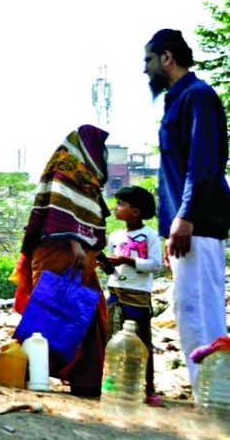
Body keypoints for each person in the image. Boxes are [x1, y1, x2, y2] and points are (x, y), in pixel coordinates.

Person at [143, 29, 230, 395]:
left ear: (167, 58)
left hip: (199, 224)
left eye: (148, 60)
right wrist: (172, 225)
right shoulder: (178, 100)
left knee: (201, 312)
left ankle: (216, 397)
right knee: (187, 309)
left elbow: (203, 164)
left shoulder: (198, 97)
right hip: (186, 225)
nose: (145, 70)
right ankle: (208, 394)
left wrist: (185, 216)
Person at [10, 124, 110, 397]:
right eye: (100, 147)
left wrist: (96, 254)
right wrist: (75, 243)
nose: (103, 154)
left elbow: (87, 218)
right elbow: (59, 211)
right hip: (61, 252)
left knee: (89, 317)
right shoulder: (65, 169)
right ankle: (31, 373)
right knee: (49, 313)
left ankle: (86, 382)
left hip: (82, 258)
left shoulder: (88, 178)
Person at [102, 186, 164, 407]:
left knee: (142, 342)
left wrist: (126, 261)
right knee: (112, 339)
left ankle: (148, 389)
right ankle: (113, 385)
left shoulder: (150, 236)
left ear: (135, 211)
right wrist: (108, 265)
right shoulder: (116, 236)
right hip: (115, 291)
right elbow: (114, 270)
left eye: (121, 204)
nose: (116, 208)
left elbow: (155, 265)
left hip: (138, 295)